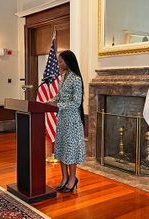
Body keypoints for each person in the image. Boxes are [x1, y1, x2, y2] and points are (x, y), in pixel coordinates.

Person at [48, 50, 86, 193]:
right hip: (62, 119)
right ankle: (64, 178)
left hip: (72, 120)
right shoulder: (63, 77)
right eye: (58, 61)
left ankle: (72, 179)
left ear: (68, 62)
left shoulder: (76, 79)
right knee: (62, 148)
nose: (58, 64)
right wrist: (48, 102)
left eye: (60, 61)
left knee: (70, 151)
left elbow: (76, 102)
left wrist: (58, 105)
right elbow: (59, 96)